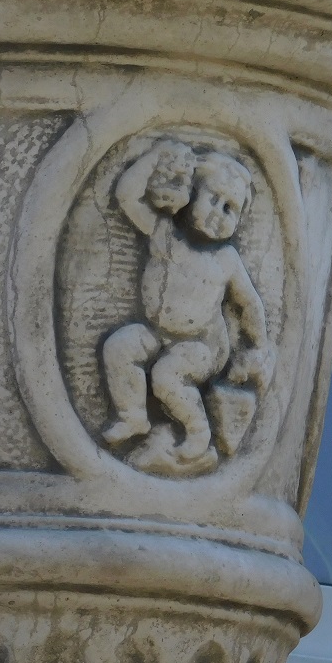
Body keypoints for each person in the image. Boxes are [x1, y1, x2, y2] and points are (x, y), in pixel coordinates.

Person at [101, 138, 268, 467]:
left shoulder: (226, 259)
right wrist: (154, 158)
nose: (218, 214)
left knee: (167, 375)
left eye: (229, 209)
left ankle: (197, 431)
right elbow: (127, 196)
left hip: (202, 344)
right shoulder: (164, 234)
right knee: (119, 347)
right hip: (157, 332)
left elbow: (249, 304)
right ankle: (133, 415)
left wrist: (259, 344)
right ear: (190, 192)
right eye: (213, 199)